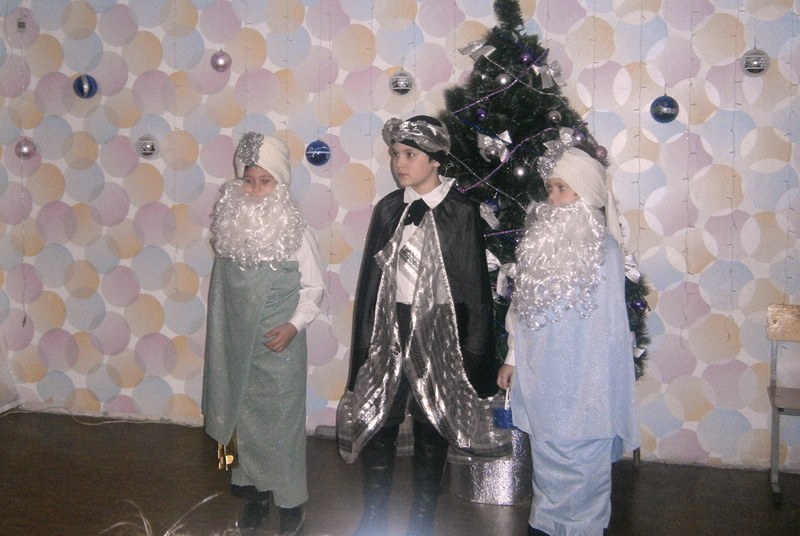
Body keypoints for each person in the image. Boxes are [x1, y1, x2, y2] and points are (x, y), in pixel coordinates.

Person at [336, 115, 509, 536]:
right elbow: (372, 283)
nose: (399, 162)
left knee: (433, 419)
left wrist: (473, 350)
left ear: (435, 160)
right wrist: (367, 342)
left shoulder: (461, 212)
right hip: (390, 325)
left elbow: (473, 286)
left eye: (410, 154)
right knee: (382, 415)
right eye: (396, 153)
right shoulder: (389, 208)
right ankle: (374, 515)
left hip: (440, 329)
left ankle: (422, 518)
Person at [497, 134, 641, 536]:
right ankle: (547, 524)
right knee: (547, 453)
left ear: (585, 192)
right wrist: (512, 357)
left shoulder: (605, 251)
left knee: (584, 459)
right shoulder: (538, 245)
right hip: (543, 376)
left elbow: (610, 330)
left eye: (562, 189)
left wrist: (597, 380)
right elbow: (522, 308)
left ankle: (583, 527)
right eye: (551, 188)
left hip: (587, 380)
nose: (552, 198)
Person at [202, 132, 325, 536]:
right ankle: (252, 496)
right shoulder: (230, 234)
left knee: (281, 427)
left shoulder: (297, 234)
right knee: (239, 423)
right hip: (236, 349)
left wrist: (293, 326)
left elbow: (314, 289)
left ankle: (290, 504)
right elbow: (224, 298)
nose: (255, 190)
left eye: (265, 181)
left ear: (281, 184)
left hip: (279, 348)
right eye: (249, 180)